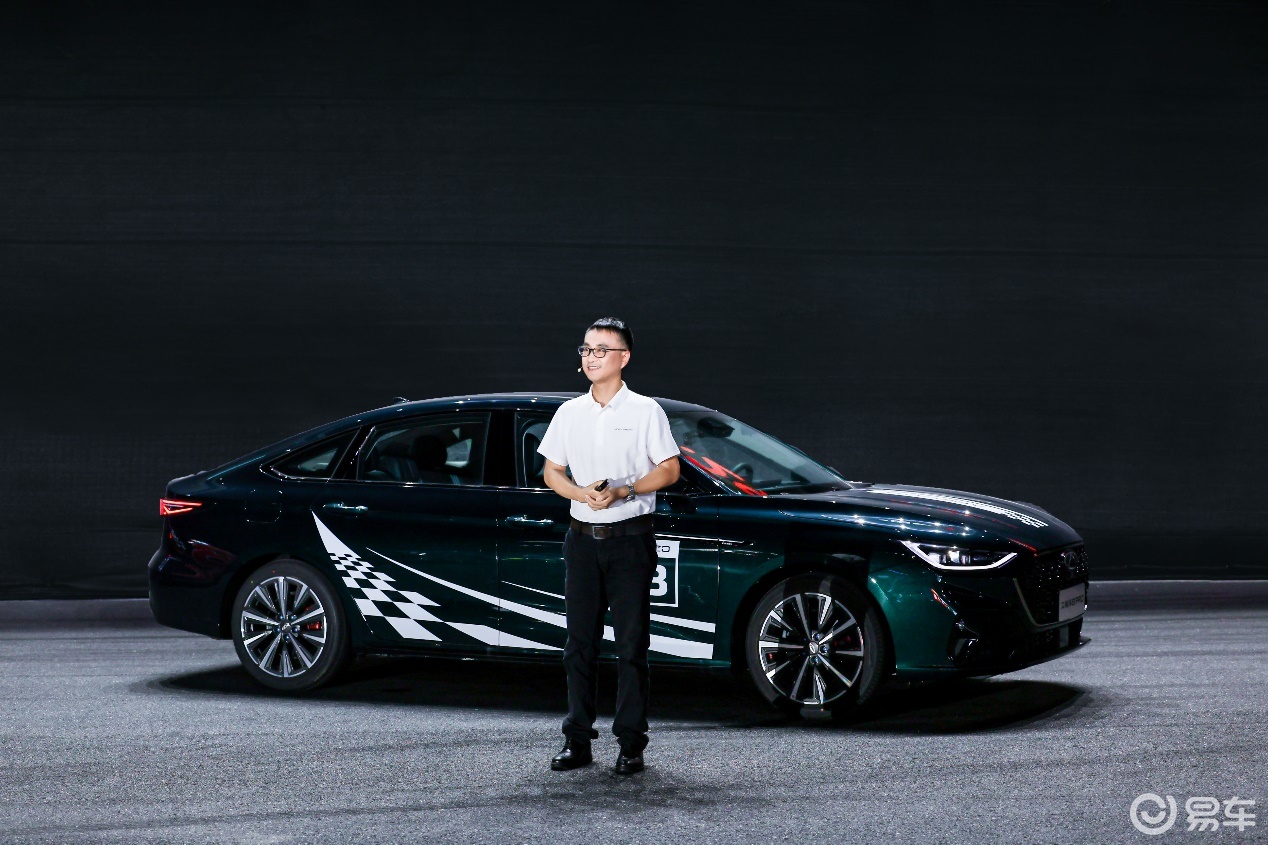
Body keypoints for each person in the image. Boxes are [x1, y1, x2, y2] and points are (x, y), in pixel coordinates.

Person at [536, 316, 681, 775]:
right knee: (578, 645)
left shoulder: (645, 411)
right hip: (581, 541)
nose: (591, 357)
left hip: (629, 542)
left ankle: (631, 744)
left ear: (624, 357)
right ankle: (577, 740)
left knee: (631, 647)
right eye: (586, 349)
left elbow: (670, 468)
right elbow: (551, 471)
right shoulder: (570, 412)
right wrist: (581, 494)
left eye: (601, 349)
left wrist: (625, 490)